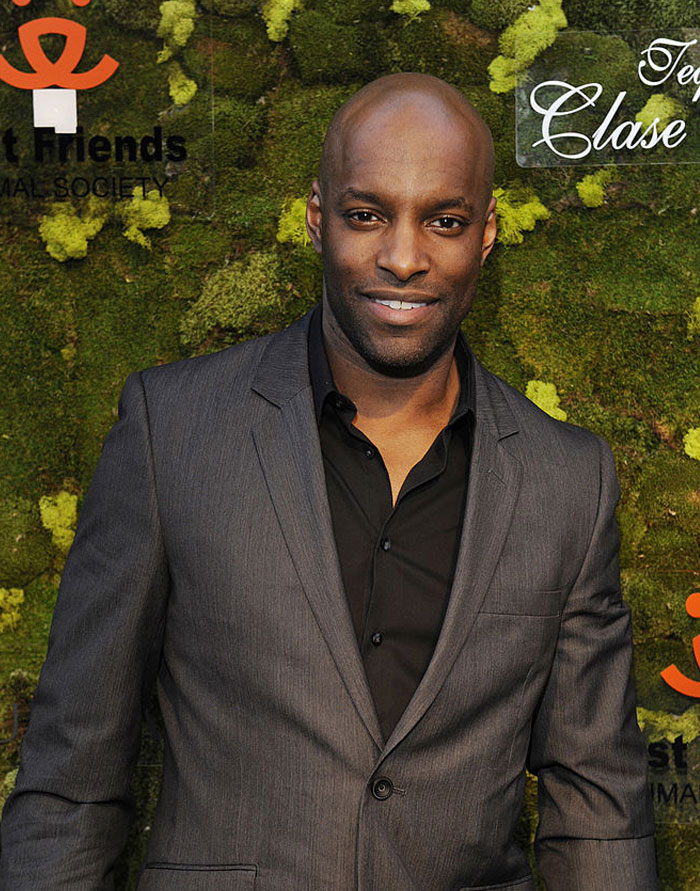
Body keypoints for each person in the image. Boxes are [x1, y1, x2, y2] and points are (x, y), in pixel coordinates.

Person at [0, 73, 657, 891]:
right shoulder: (172, 433)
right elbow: (71, 784)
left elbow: (599, 810)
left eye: (444, 221)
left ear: (486, 233)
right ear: (318, 217)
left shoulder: (570, 479)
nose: (404, 256)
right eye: (367, 214)